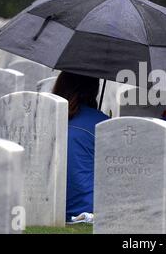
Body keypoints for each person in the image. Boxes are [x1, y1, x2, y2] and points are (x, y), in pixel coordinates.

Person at [52, 72, 109, 223]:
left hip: (48, 207)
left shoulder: (47, 116)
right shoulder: (102, 123)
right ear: (93, 90)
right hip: (85, 208)